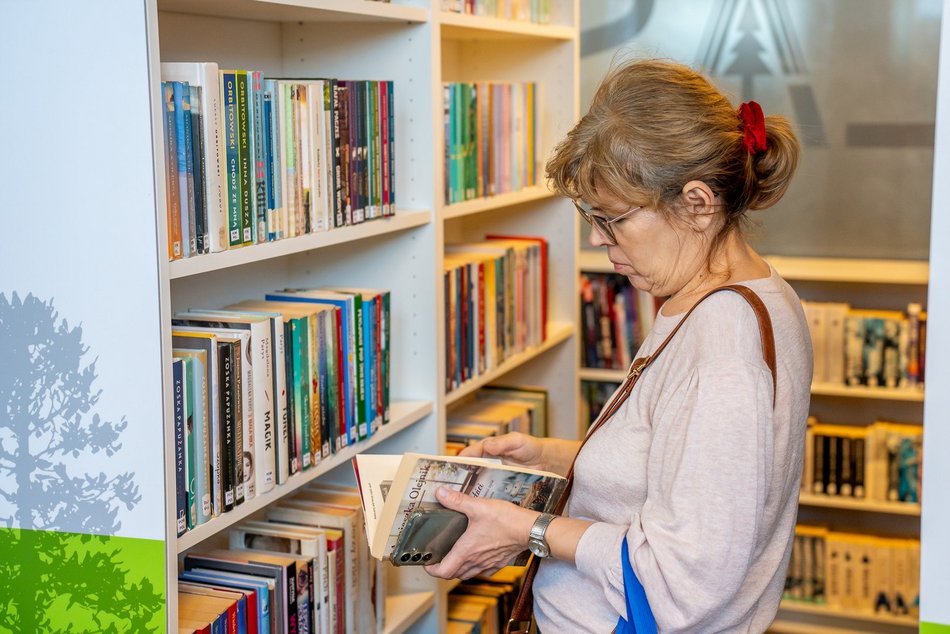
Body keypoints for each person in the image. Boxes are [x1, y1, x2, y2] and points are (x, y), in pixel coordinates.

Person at [424, 58, 813, 633]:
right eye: (589, 215)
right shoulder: (743, 291)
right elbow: (688, 469)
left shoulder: (724, 348)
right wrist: (560, 459)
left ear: (698, 204)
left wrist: (526, 530)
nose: (594, 238)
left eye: (613, 218)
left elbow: (683, 581)